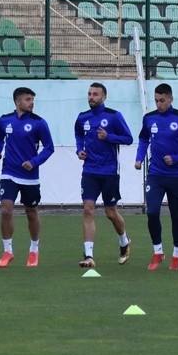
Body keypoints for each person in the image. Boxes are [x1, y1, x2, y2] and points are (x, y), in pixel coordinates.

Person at [0, 87, 54, 268]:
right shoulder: (5, 120)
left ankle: (34, 249)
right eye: (28, 99)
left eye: (32, 99)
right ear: (17, 102)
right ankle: (7, 251)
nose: (31, 103)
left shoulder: (39, 123)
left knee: (31, 212)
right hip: (9, 173)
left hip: (30, 176)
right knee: (6, 210)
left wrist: (34, 162)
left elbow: (49, 148)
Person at [135, 83, 178, 271]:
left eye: (162, 100)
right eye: (156, 101)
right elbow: (144, 139)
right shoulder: (149, 118)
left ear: (170, 99)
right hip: (155, 174)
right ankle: (158, 252)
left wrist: (176, 158)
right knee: (152, 212)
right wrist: (139, 158)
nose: (159, 104)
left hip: (176, 175)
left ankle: (177, 255)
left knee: (176, 216)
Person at [74, 82, 134, 268]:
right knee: (88, 209)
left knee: (110, 213)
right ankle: (89, 255)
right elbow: (78, 135)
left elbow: (128, 138)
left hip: (109, 172)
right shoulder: (82, 117)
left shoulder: (114, 116)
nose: (91, 97)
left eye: (96, 94)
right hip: (90, 170)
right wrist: (79, 150)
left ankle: (124, 241)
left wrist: (109, 137)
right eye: (90, 94)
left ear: (104, 97)